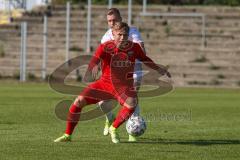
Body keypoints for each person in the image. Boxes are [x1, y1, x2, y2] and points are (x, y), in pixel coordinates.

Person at [54, 22, 171, 144]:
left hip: (123, 86)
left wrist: (159, 69)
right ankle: (67, 134)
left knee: (131, 103)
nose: (122, 38)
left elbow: (145, 59)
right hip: (104, 84)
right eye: (119, 35)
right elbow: (95, 59)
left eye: (125, 35)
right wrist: (93, 66)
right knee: (78, 101)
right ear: (113, 34)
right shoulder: (105, 47)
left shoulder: (134, 47)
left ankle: (113, 128)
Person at [99, 8, 146, 142]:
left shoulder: (132, 31)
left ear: (121, 19)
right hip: (115, 74)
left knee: (132, 97)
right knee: (102, 102)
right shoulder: (106, 37)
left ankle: (132, 131)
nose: (112, 22)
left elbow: (140, 46)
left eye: (114, 19)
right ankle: (110, 119)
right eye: (109, 21)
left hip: (134, 70)